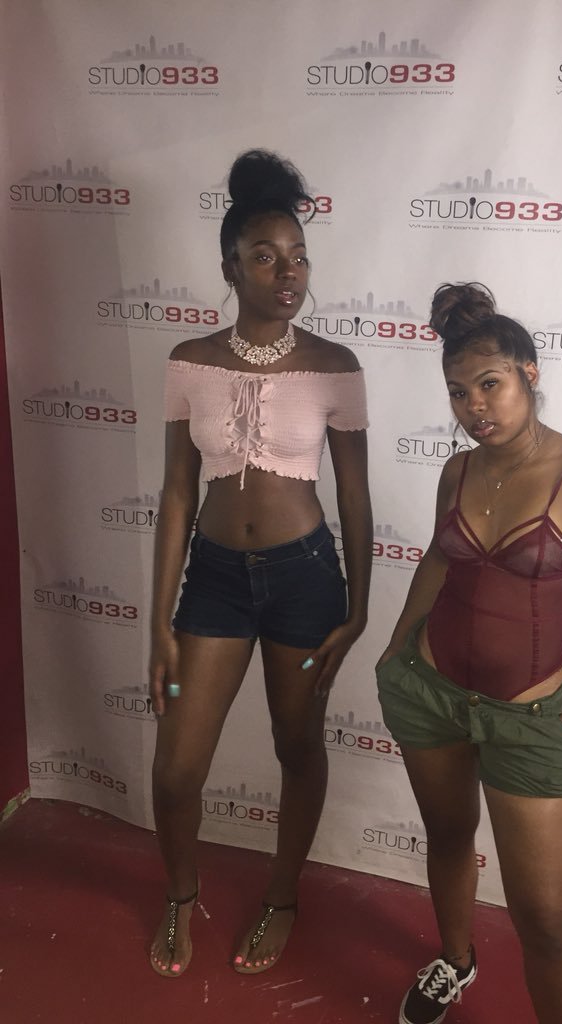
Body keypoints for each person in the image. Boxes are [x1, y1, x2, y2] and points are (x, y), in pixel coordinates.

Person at [376, 283, 562, 1024]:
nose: (474, 407)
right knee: (448, 836)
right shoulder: (457, 471)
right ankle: (455, 962)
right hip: (429, 693)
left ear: (530, 373)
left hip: (532, 718)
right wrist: (396, 649)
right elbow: (439, 557)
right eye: (459, 393)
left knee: (544, 919)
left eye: (489, 384)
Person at [148, 149, 372, 978]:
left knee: (297, 743)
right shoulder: (190, 360)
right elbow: (177, 493)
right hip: (213, 579)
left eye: (299, 256)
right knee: (177, 769)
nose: (289, 272)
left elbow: (355, 498)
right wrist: (159, 622)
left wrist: (358, 608)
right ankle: (180, 894)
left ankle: (283, 895)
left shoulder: (335, 367)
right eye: (267, 256)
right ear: (231, 267)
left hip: (305, 580)